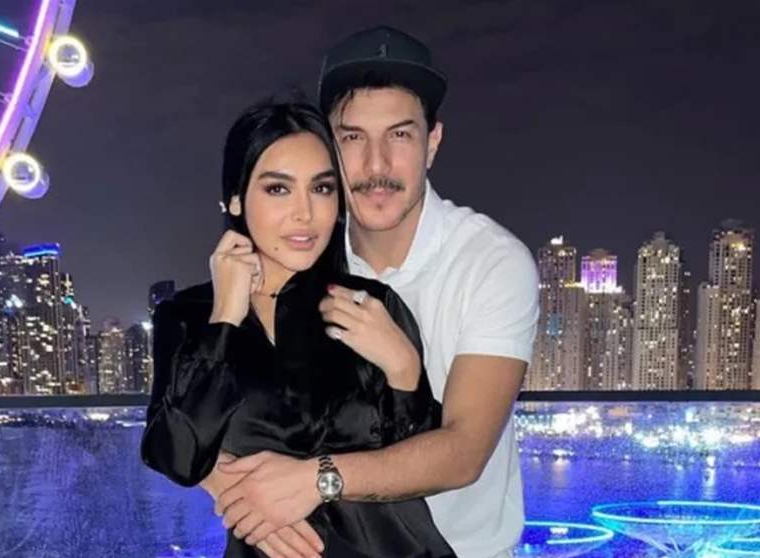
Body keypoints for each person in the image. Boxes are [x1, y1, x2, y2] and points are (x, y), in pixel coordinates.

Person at [208, 27, 541, 558]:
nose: (376, 165)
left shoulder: (492, 263)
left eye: (400, 135)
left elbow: (463, 451)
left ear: (432, 143)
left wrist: (314, 480)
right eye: (352, 138)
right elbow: (214, 396)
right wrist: (231, 486)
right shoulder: (300, 251)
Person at [142, 100, 456, 557]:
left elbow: (423, 463)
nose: (305, 213)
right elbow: (176, 455)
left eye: (322, 188)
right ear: (235, 198)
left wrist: (404, 367)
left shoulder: (369, 305)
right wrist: (225, 316)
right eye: (278, 189)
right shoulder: (187, 316)